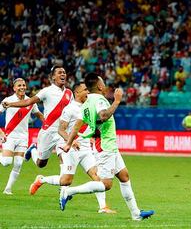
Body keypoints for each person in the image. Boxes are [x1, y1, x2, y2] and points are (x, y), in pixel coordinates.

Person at [60, 73, 154, 220]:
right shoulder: (99, 99)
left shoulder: (87, 102)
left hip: (108, 145)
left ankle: (136, 213)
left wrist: (68, 143)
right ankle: (69, 192)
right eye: (103, 82)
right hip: (105, 146)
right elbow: (103, 116)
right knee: (106, 184)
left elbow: (77, 125)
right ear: (99, 86)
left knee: (124, 177)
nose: (105, 85)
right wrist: (116, 101)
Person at [28, 82, 115, 214]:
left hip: (86, 149)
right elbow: (61, 130)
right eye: (85, 90)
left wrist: (92, 135)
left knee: (97, 176)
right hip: (71, 149)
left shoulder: (89, 106)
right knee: (66, 180)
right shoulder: (69, 109)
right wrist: (71, 140)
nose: (88, 92)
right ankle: (42, 179)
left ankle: (103, 207)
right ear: (77, 93)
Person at [2, 65, 73, 168]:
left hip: (62, 131)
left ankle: (64, 184)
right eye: (59, 72)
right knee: (41, 164)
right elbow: (29, 101)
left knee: (65, 158)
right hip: (47, 132)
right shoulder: (46, 91)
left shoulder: (69, 93)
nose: (63, 74)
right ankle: (33, 150)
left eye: (64, 72)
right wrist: (11, 104)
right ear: (53, 77)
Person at [0, 78, 44, 195]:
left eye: (24, 85)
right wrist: (1, 132)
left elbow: (39, 115)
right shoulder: (8, 100)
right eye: (19, 85)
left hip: (24, 137)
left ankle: (8, 189)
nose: (22, 87)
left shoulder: (30, 101)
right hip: (10, 135)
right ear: (14, 88)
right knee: (6, 162)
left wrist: (49, 123)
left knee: (18, 163)